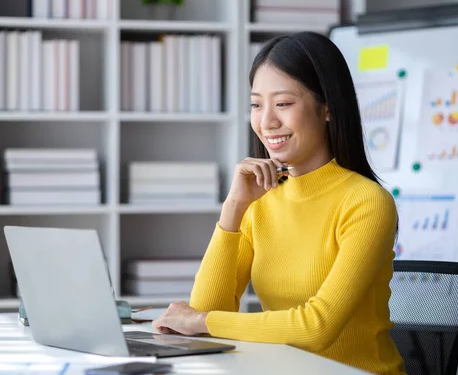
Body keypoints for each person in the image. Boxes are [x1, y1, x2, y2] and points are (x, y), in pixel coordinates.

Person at [151, 32, 406, 375]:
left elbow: (317, 328)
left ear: (327, 108)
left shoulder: (366, 202)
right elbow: (207, 309)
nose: (267, 121)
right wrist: (233, 208)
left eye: (283, 104)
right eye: (257, 104)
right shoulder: (259, 201)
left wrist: (200, 321)